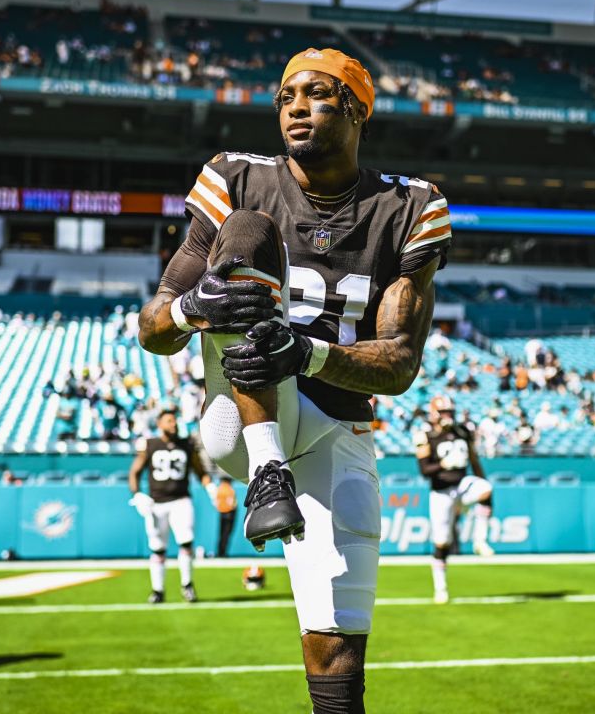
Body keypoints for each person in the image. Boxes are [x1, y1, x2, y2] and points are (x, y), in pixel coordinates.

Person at [137, 47, 447, 712]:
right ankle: (267, 468)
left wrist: (301, 352)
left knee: (336, 647)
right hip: (239, 419)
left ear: (358, 107)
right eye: (286, 98)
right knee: (246, 232)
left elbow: (399, 363)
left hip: (337, 425)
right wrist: (196, 309)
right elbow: (154, 328)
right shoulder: (238, 178)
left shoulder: (408, 206)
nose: (297, 108)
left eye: (316, 94)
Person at [128, 409, 215, 604]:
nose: (173, 424)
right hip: (157, 503)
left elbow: (200, 469)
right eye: (168, 421)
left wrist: (209, 486)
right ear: (159, 424)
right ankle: (157, 590)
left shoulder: (186, 444)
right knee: (158, 548)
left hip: (181, 500)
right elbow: (134, 472)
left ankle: (187, 586)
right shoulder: (150, 445)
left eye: (174, 421)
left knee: (186, 542)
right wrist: (136, 495)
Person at [416, 395, 494, 604]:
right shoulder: (426, 435)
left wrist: (480, 478)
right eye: (444, 412)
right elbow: (424, 470)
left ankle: (480, 540)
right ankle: (440, 588)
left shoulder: (463, 431)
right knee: (442, 543)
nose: (448, 416)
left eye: (450, 412)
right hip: (441, 492)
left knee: (485, 489)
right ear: (434, 413)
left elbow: (474, 459)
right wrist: (444, 463)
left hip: (461, 485)